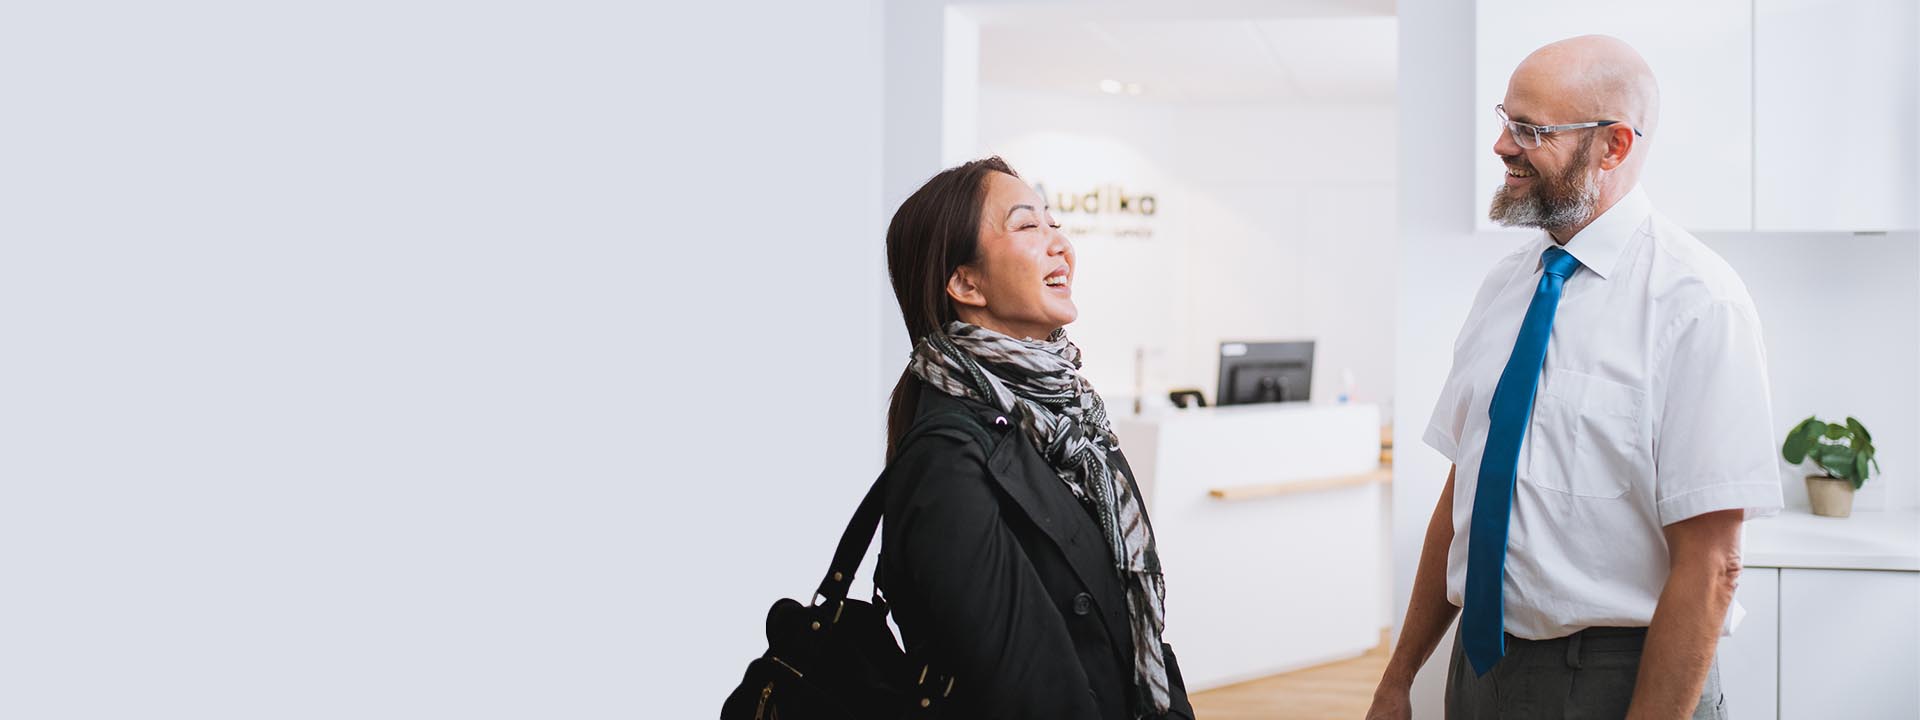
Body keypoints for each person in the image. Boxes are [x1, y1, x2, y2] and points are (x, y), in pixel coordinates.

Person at [1366, 36, 1782, 720]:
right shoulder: (1506, 286)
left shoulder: (1699, 302)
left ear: (1614, 146)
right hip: (1480, 671)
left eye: (1530, 130)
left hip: (1620, 679)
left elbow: (1712, 566)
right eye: (1506, 120)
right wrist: (1399, 676)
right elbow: (1465, 492)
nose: (1502, 146)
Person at [875, 156, 1195, 719]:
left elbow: (1129, 631)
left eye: (1055, 223)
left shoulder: (1074, 422)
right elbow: (1028, 690)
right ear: (965, 282)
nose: (1060, 245)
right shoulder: (945, 456)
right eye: (1028, 226)